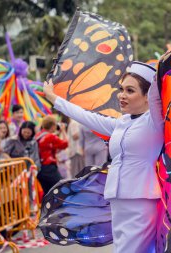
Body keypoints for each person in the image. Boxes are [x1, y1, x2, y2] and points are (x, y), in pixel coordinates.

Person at [43, 61, 163, 253]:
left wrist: (166, 64)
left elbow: (159, 93)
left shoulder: (155, 122)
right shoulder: (121, 123)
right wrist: (53, 98)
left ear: (148, 96)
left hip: (141, 199)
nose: (122, 95)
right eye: (122, 89)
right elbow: (83, 115)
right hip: (116, 198)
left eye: (130, 91)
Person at [35, 116, 68, 194]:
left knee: (47, 192)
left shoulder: (39, 135)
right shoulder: (50, 136)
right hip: (49, 167)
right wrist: (63, 130)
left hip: (40, 168)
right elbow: (65, 144)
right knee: (61, 187)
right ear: (53, 126)